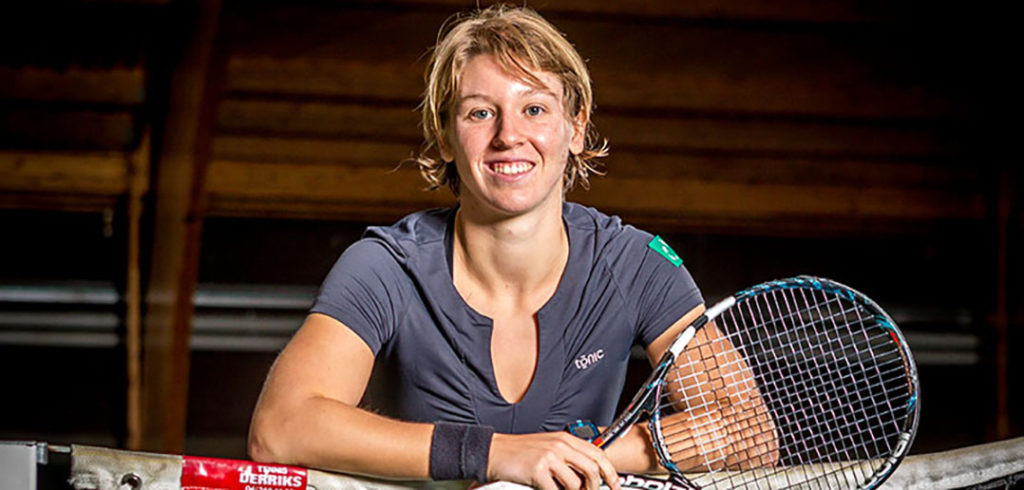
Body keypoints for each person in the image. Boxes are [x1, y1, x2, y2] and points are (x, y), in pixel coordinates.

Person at [248, 5, 775, 490]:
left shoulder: (636, 264)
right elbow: (280, 429)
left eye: (535, 109)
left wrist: (590, 451)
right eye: (480, 113)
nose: (509, 136)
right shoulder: (386, 265)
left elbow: (749, 433)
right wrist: (494, 454)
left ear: (576, 127)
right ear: (445, 137)